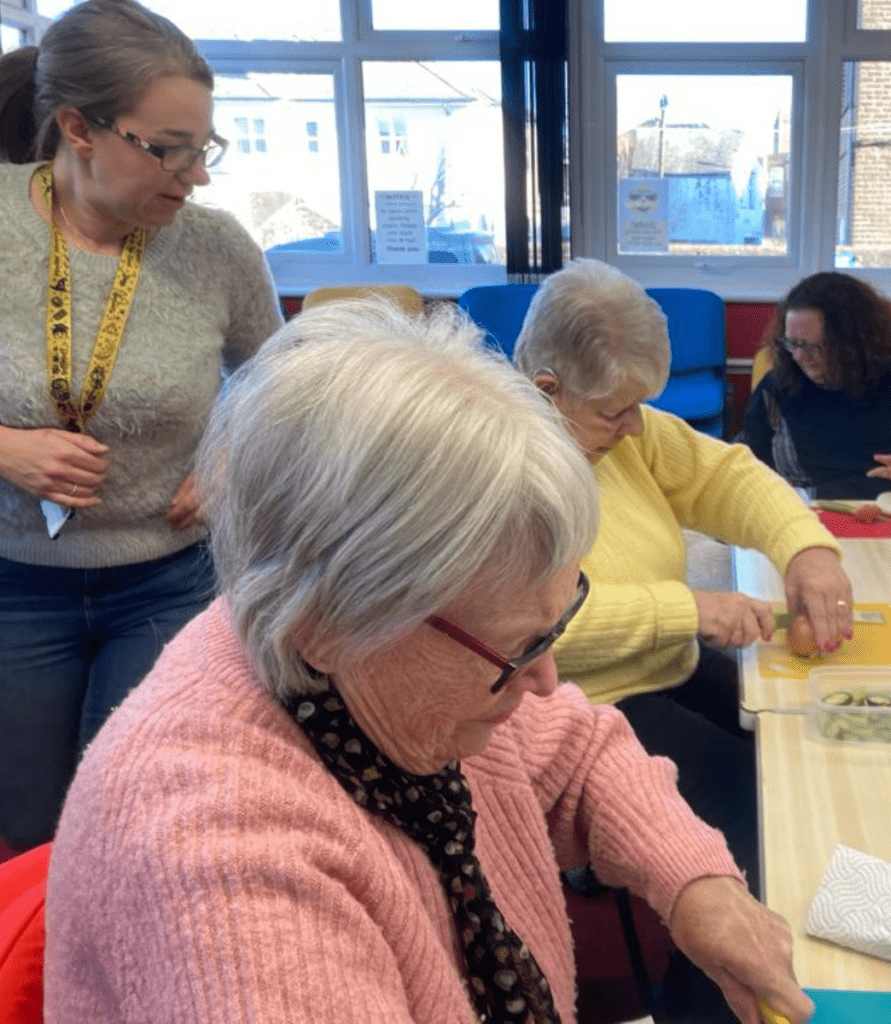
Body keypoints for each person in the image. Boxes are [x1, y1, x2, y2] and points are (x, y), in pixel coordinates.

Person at [45, 299, 815, 1024]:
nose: (546, 681)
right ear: (334, 621)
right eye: (518, 649)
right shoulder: (223, 869)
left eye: (555, 625)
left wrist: (696, 885)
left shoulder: (365, 658)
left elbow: (578, 751)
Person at [0, 0, 283, 851]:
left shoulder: (217, 248)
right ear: (79, 128)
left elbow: (280, 388)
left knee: (139, 813)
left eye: (204, 149)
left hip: (167, 579)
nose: (196, 176)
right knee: (30, 821)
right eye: (169, 150)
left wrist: (228, 459)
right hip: (8, 585)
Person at [513, 259, 853, 904]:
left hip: (663, 669)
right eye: (619, 410)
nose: (637, 425)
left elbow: (725, 476)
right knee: (765, 822)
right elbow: (534, 627)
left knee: (797, 746)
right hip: (582, 711)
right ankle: (706, 989)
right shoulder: (498, 464)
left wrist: (806, 549)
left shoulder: (613, 435)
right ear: (546, 388)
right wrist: (687, 610)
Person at [742, 272, 891, 500]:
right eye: (793, 343)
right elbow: (747, 454)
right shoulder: (778, 384)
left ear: (853, 343)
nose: (799, 356)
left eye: (816, 347)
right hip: (810, 512)